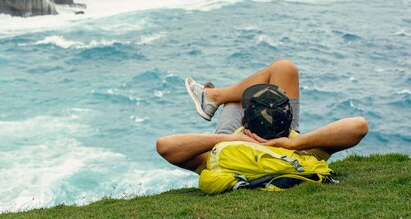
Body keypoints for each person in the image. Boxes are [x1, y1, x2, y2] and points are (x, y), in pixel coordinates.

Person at [156, 60, 368, 174]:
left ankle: (214, 96)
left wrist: (231, 139)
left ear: (244, 122)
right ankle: (214, 95)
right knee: (285, 69)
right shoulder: (306, 152)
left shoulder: (222, 155)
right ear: (288, 119)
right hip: (282, 141)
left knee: (236, 99)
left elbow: (165, 146)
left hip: (236, 144)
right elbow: (358, 126)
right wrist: (291, 144)